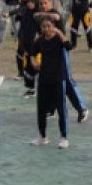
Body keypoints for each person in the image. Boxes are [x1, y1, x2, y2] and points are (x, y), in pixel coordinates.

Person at [30, 17, 71, 148]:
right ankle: (42, 136)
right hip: (44, 78)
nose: (46, 29)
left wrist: (59, 33)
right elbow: (32, 53)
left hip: (58, 77)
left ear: (53, 26)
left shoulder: (59, 39)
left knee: (61, 108)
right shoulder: (40, 40)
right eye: (43, 27)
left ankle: (64, 137)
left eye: (49, 26)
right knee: (41, 108)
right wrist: (33, 62)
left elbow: (69, 46)